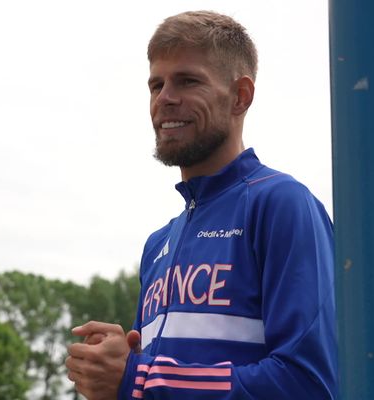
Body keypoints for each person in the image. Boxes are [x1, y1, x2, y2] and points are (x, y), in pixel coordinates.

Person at [66, 10, 337, 400]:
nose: (165, 99)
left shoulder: (281, 203)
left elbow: (310, 384)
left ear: (240, 96)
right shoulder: (157, 243)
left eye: (188, 81)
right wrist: (116, 367)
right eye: (155, 84)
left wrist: (137, 379)